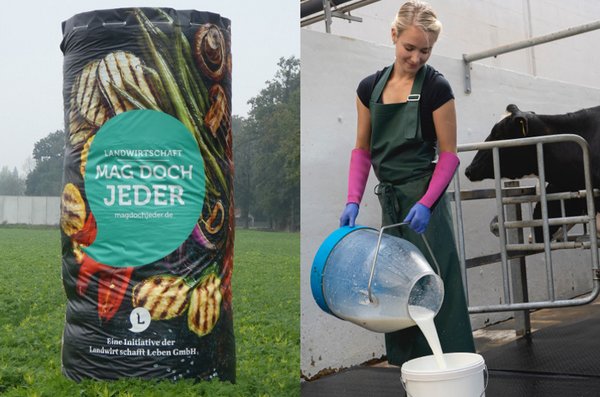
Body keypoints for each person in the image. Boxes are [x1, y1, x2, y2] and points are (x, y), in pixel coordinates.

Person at [339, 0, 476, 366]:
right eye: (409, 48)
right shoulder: (369, 88)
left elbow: (448, 155)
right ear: (394, 36)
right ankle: (412, 370)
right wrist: (353, 199)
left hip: (424, 203)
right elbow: (362, 150)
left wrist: (428, 203)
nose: (416, 58)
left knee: (437, 281)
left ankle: (455, 367)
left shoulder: (437, 88)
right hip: (392, 203)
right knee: (396, 287)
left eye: (425, 51)